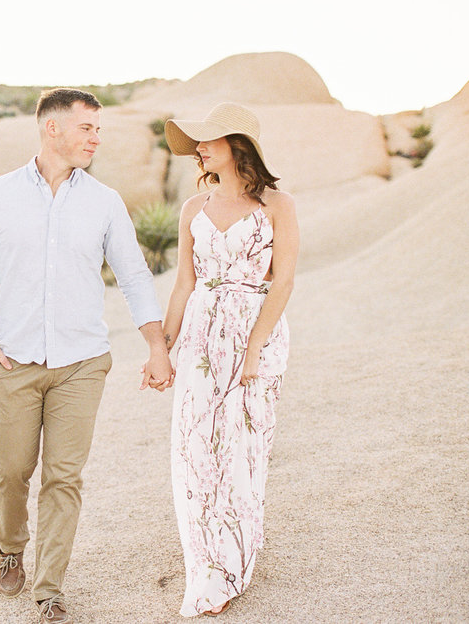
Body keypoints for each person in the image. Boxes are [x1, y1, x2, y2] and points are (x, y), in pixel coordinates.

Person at [0, 88, 172, 624]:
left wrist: (156, 345)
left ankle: (49, 588)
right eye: (87, 128)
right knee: (10, 470)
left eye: (98, 129)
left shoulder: (105, 202)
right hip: (15, 364)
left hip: (82, 363)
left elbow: (135, 275)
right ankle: (10, 546)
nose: (96, 138)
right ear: (53, 129)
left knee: (64, 477)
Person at [160, 103, 298, 617]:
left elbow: (282, 281)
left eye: (207, 139)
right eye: (196, 141)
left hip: (253, 334)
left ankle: (235, 559)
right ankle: (204, 566)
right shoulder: (193, 208)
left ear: (237, 144)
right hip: (200, 337)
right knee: (195, 449)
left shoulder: (278, 205)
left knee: (241, 450)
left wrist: (254, 349)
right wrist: (163, 348)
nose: (198, 147)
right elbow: (184, 283)